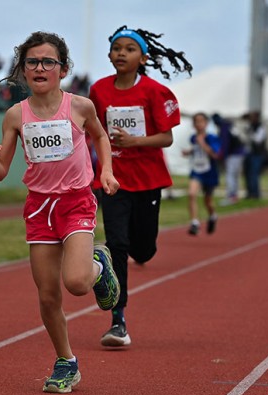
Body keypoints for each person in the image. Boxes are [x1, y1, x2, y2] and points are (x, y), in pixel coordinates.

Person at [0, 31, 121, 394]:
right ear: (23, 70)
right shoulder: (15, 115)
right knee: (47, 296)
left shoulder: (80, 107)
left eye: (48, 62)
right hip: (40, 208)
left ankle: (98, 267)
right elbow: (1, 171)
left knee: (76, 283)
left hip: (76, 202)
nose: (40, 68)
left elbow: (100, 137)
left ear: (63, 69)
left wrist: (105, 171)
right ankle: (66, 361)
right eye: (32, 62)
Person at [88, 25, 192, 347]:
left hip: (148, 180)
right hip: (113, 179)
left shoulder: (154, 92)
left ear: (143, 58)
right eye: (117, 48)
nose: (121, 53)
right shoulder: (98, 91)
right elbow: (93, 132)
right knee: (117, 244)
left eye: (129, 49)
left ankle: (136, 249)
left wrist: (134, 141)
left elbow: (167, 137)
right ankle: (117, 320)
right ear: (109, 55)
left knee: (143, 249)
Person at [182, 113, 221, 235]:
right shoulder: (193, 138)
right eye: (196, 122)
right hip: (196, 170)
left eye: (201, 121)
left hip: (209, 171)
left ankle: (213, 216)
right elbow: (196, 150)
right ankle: (194, 223)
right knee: (191, 194)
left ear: (206, 123)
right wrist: (188, 152)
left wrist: (203, 143)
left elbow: (215, 155)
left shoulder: (212, 138)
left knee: (207, 201)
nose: (199, 124)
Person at [212, 113, 244, 205]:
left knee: (230, 175)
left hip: (233, 154)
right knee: (235, 176)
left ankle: (231, 196)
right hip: (239, 153)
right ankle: (234, 196)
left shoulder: (224, 127)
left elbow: (226, 143)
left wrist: (223, 157)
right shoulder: (230, 125)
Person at [243, 110, 268, 199]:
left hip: (257, 154)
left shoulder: (261, 127)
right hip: (248, 153)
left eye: (252, 117)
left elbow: (258, 140)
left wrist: (250, 133)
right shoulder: (250, 126)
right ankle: (249, 192)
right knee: (247, 173)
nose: (250, 120)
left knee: (254, 174)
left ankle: (255, 193)